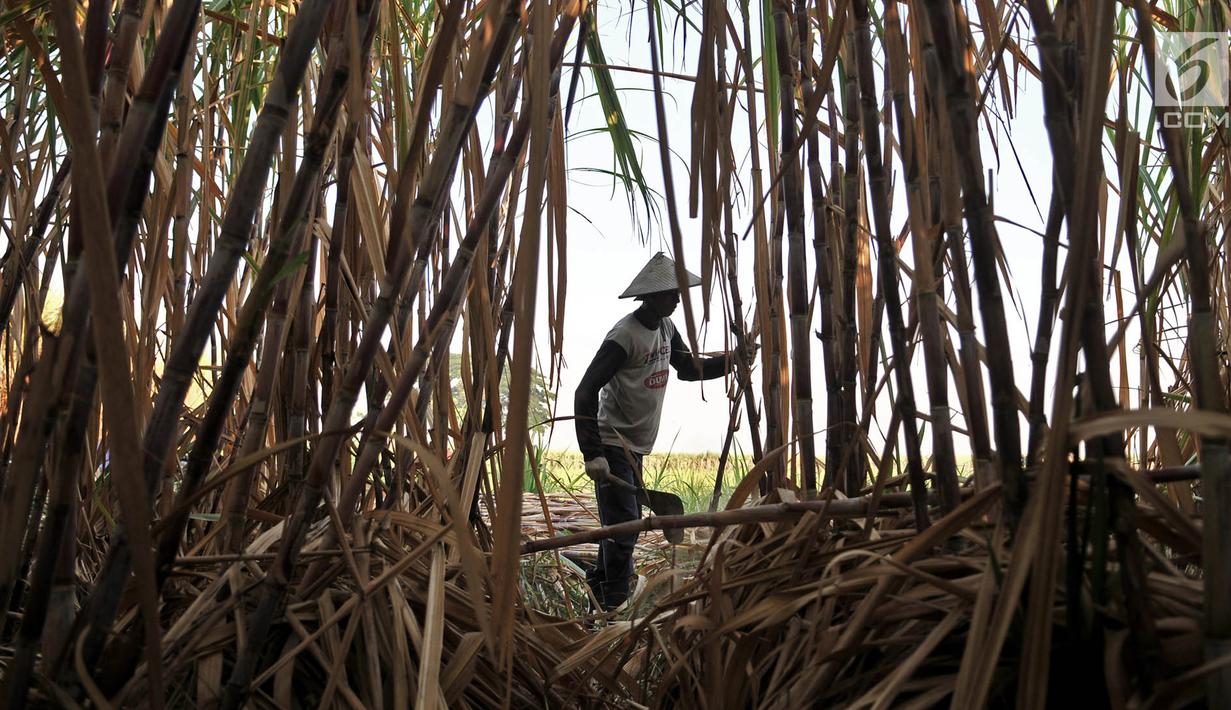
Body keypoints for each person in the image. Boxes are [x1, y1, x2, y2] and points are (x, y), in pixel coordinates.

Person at [574, 252, 751, 611]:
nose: (678, 298)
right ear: (652, 296)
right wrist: (591, 451)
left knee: (618, 522)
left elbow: (687, 367)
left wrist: (733, 359)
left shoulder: (666, 329)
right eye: (673, 293)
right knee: (625, 526)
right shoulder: (624, 336)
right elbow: (585, 390)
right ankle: (611, 602)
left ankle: (600, 582)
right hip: (611, 442)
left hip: (635, 445)